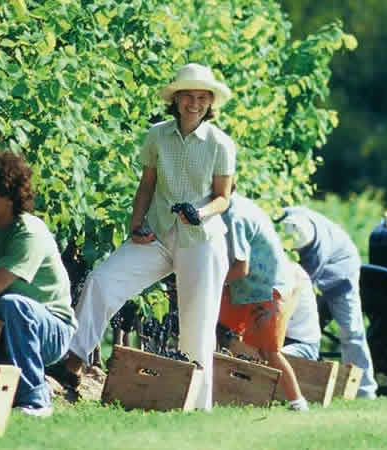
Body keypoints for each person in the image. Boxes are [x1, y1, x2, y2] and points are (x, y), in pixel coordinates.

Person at [64, 63, 236, 411]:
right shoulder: (157, 135)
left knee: (197, 323)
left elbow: (223, 197)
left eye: (202, 97)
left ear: (210, 103)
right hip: (156, 233)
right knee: (101, 280)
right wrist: (136, 223)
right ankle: (71, 363)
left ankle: (194, 406)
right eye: (188, 95)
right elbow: (147, 185)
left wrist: (199, 213)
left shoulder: (221, 144)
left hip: (201, 240)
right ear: (176, 99)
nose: (195, 103)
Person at [0, 150, 77, 417]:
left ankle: (37, 400)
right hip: (13, 326)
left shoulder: (28, 232)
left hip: (52, 329)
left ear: (7, 196)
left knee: (11, 303)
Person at [216, 194, 308, 411]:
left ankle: (298, 403)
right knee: (222, 332)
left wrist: (211, 283)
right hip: (249, 286)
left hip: (267, 287)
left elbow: (241, 268)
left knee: (269, 351)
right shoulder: (237, 204)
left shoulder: (233, 216)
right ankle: (223, 392)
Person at [278, 206, 378, 398]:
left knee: (351, 330)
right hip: (320, 264)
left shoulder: (316, 250)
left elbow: (300, 288)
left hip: (342, 269)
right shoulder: (286, 220)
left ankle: (365, 390)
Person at [279, 264, 322, 362]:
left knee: (270, 359)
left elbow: (281, 318)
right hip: (281, 340)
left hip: (302, 345)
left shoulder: (293, 274)